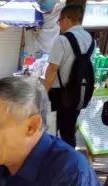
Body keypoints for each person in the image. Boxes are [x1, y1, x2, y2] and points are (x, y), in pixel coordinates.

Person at [44, 4, 93, 148]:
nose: (59, 24)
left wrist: (43, 92)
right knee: (69, 132)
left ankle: (52, 159)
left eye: (59, 20)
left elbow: (52, 69)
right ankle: (69, 159)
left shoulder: (62, 39)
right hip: (79, 93)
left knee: (51, 130)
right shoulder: (91, 39)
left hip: (59, 94)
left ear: (66, 18)